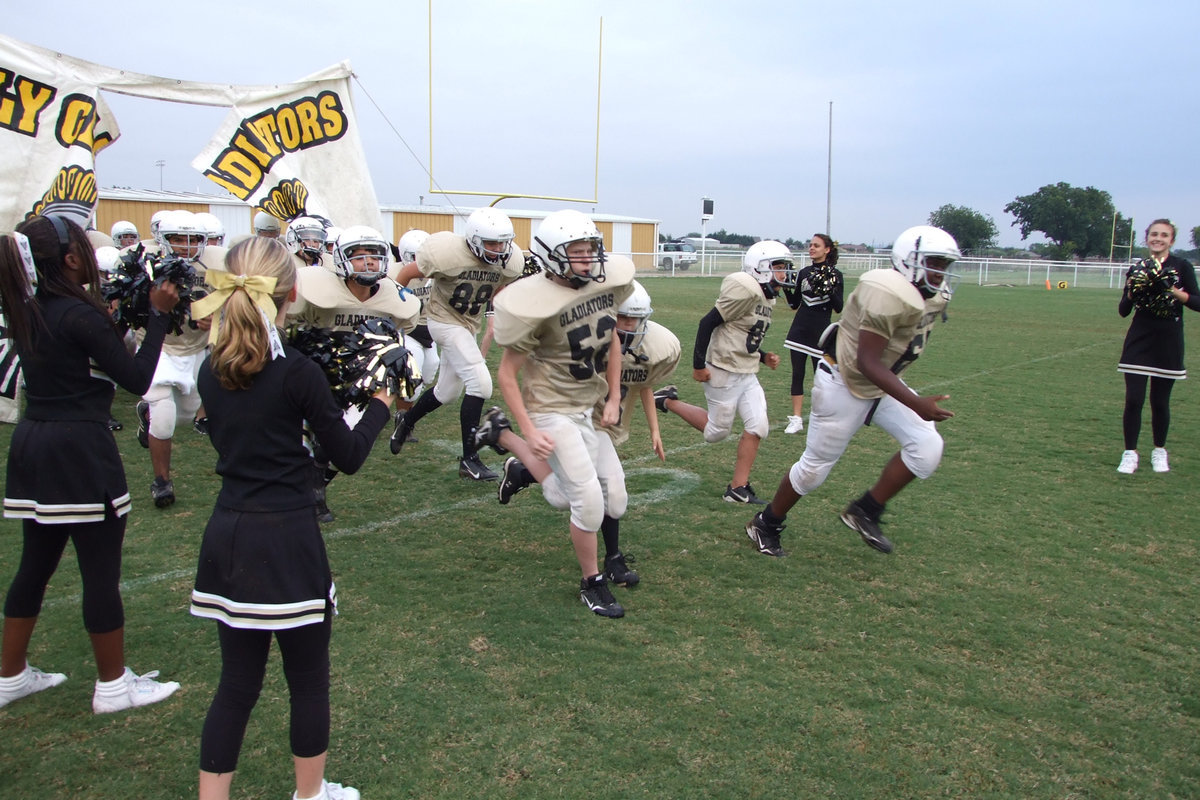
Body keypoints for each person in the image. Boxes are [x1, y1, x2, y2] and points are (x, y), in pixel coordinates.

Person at [188, 236, 392, 800]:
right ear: (292, 292)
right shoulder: (295, 372)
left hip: (228, 533)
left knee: (235, 686)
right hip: (288, 537)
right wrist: (380, 403)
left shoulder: (212, 367)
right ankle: (309, 794)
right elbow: (347, 456)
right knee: (306, 681)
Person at [0, 214, 182, 712]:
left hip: (33, 441)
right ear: (72, 259)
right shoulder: (80, 315)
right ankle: (112, 687)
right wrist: (159, 314)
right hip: (78, 447)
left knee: (33, 566)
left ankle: (9, 675)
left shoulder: (28, 305)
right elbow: (137, 379)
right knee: (100, 570)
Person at [745, 225, 961, 557]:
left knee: (927, 446)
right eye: (934, 262)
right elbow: (866, 361)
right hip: (844, 380)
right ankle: (767, 522)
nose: (940, 271)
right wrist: (916, 403)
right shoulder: (887, 291)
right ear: (909, 260)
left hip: (881, 383)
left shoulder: (930, 294)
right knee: (814, 471)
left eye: (944, 265)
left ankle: (866, 510)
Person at [479, 279, 679, 589]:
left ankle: (514, 456)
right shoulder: (577, 336)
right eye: (622, 318)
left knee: (613, 501)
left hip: (601, 423)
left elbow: (643, 382)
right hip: (570, 416)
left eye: (635, 319)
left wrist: (651, 425)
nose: (629, 326)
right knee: (580, 497)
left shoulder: (652, 347)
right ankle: (605, 565)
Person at [485, 210, 634, 617]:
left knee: (615, 500)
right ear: (552, 256)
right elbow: (506, 373)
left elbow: (613, 340)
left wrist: (615, 396)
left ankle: (515, 460)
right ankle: (591, 581)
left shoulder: (604, 286)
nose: (588, 259)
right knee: (586, 502)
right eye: (577, 252)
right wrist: (530, 428)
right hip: (551, 408)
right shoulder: (532, 302)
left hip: (588, 403)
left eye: (591, 250)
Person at [288, 225, 420, 521]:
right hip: (313, 375)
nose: (368, 262)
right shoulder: (314, 286)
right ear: (341, 259)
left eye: (373, 256)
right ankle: (305, 491)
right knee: (300, 445)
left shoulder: (395, 298)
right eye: (358, 256)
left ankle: (317, 482)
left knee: (344, 443)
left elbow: (399, 332)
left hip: (358, 380)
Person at [389, 208, 524, 481]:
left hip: (468, 324)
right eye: (491, 243)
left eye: (502, 242)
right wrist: (395, 309)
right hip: (442, 320)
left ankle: (406, 421)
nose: (499, 249)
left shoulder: (509, 262)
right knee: (481, 384)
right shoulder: (448, 255)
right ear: (474, 240)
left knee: (447, 392)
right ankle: (469, 460)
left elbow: (498, 289)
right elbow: (406, 273)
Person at [654, 240, 788, 504]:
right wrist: (698, 364)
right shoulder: (745, 289)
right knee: (716, 433)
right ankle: (667, 400)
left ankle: (738, 488)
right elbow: (708, 323)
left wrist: (762, 356)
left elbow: (744, 335)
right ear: (760, 268)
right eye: (779, 266)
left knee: (758, 425)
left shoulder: (766, 297)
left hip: (747, 371)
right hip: (723, 368)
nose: (784, 273)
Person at [133, 210, 223, 508]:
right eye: (177, 239)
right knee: (164, 418)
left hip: (196, 348)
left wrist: (219, 318)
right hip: (159, 347)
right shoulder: (145, 263)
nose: (186, 246)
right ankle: (162, 482)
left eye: (194, 239)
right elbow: (133, 306)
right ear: (162, 239)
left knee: (186, 414)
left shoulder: (218, 263)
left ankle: (146, 414)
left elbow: (233, 299)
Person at [1116, 219, 1200, 473]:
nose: (1158, 238)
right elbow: (1123, 310)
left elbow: (1197, 302)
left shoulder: (1181, 266)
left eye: (1164, 235)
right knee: (1134, 400)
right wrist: (1132, 290)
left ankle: (1159, 450)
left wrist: (1173, 291)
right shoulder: (1138, 267)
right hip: (1139, 340)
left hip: (1168, 340)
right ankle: (1130, 453)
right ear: (1147, 238)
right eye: (1154, 234)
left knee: (1160, 402)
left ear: (1171, 240)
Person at [782, 234, 844, 434]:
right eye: (810, 245)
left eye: (816, 245)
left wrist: (829, 287)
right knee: (797, 374)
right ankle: (797, 418)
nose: (811, 248)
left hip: (820, 333)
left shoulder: (836, 274)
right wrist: (784, 284)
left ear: (827, 249)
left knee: (822, 378)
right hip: (799, 330)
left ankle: (821, 417)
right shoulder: (803, 273)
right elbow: (793, 304)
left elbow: (838, 307)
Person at [386, 229, 438, 444]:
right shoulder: (393, 273)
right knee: (413, 372)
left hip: (428, 330)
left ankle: (404, 411)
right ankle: (402, 420)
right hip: (406, 329)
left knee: (431, 368)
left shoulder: (436, 272)